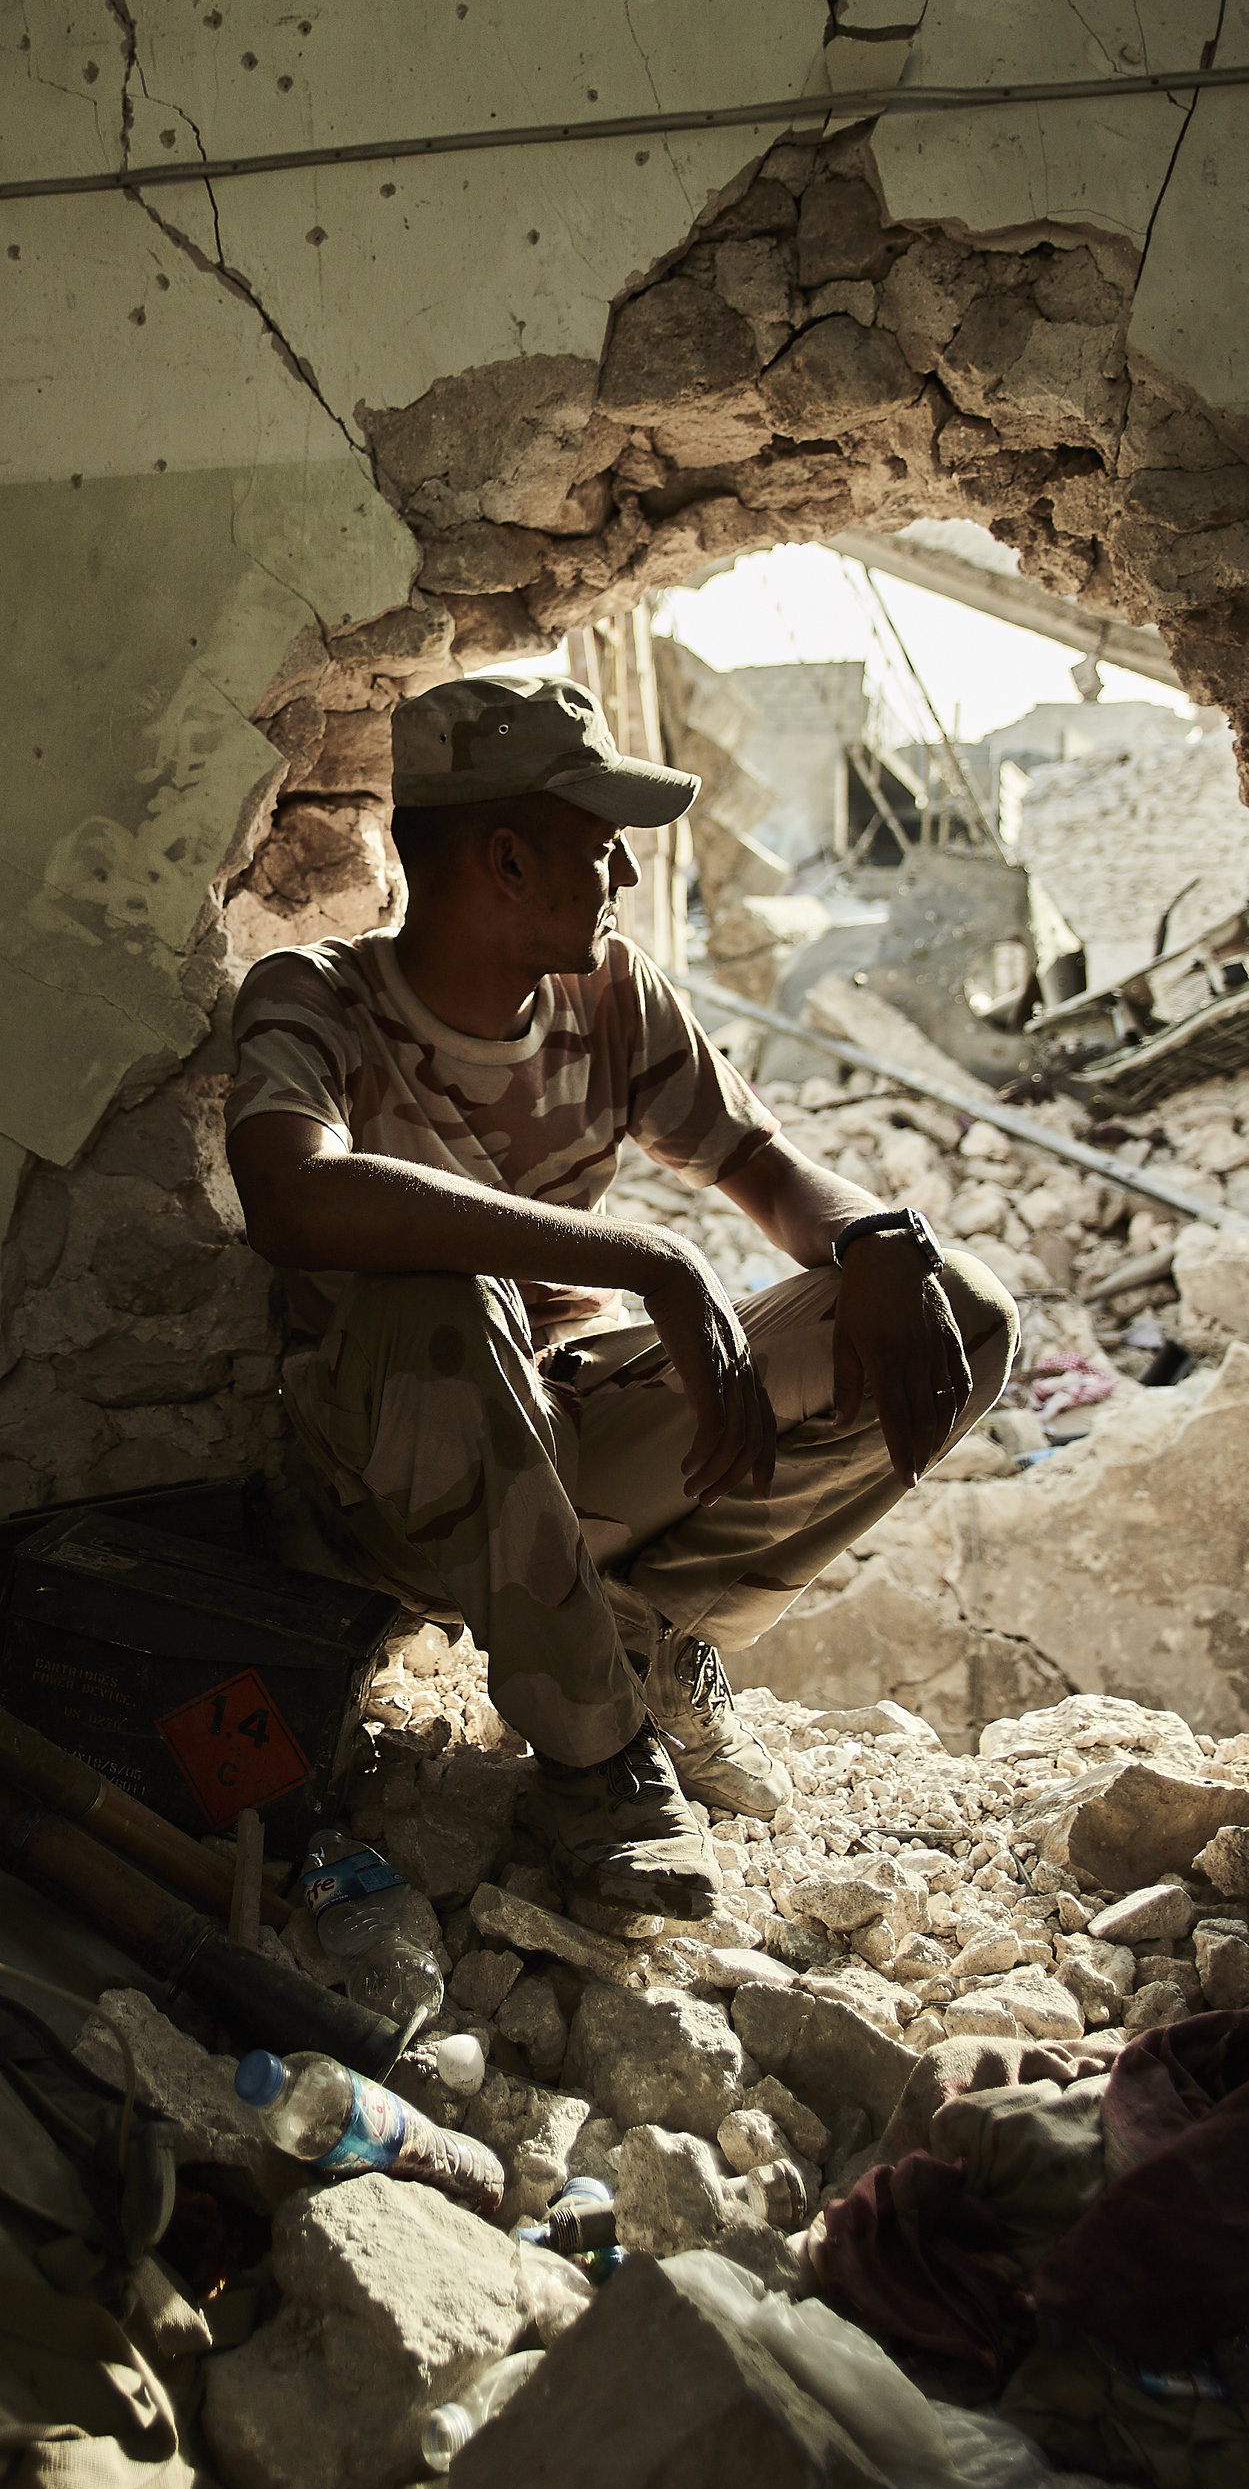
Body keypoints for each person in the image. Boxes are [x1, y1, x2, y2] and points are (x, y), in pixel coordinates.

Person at [225, 671, 1019, 1917]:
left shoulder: (610, 996)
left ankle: (644, 1639)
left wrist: (872, 1238)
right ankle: (595, 1763)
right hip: (397, 1483)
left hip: (574, 1428)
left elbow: (755, 1163)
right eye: (603, 851)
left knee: (954, 1312)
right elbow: (291, 1196)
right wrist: (648, 1258)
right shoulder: (315, 1000)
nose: (630, 883)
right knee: (438, 1303)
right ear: (505, 861)